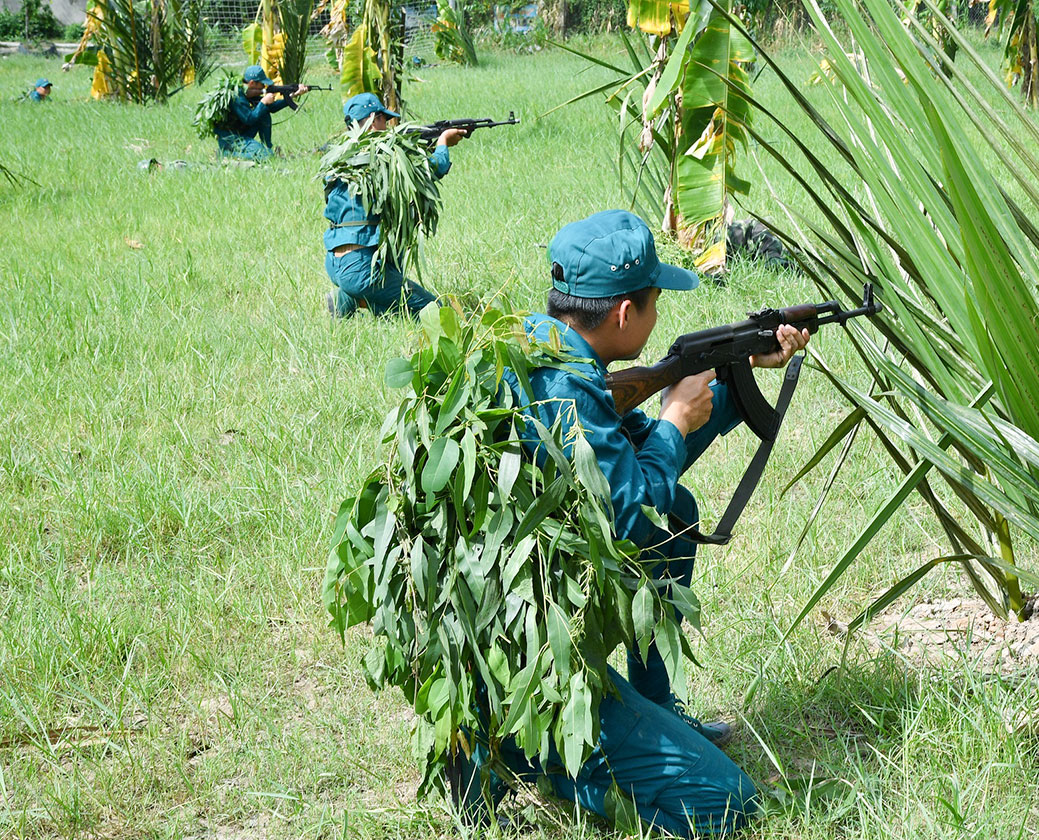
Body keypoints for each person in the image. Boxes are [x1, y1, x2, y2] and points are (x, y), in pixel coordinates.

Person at [451, 209, 810, 837]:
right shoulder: (563, 391)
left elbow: (642, 466)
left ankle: (644, 705)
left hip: (510, 633)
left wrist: (737, 374)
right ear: (623, 315)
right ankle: (532, 752)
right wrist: (674, 419)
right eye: (653, 301)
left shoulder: (542, 352)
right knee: (727, 804)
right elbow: (625, 515)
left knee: (676, 511)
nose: (656, 313)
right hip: (528, 666)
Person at [322, 92, 466, 318]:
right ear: (373, 119)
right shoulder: (385, 154)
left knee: (383, 297)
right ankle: (357, 294)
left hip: (335, 263)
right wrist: (443, 142)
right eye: (384, 120)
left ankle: (344, 299)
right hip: (362, 268)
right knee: (435, 313)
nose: (388, 126)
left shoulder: (338, 159)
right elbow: (435, 167)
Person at [214, 66, 308, 161]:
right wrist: (263, 102)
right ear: (252, 83)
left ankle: (267, 147)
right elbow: (249, 119)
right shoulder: (236, 96)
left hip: (242, 133)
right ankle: (226, 154)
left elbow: (272, 107)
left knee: (264, 112)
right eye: (262, 84)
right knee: (265, 156)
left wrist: (293, 95)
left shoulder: (249, 92)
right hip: (232, 139)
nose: (264, 87)